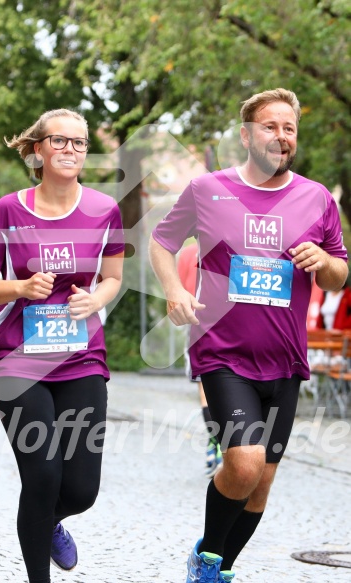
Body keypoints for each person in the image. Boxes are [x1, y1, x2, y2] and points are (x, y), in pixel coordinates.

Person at [149, 88, 348, 583]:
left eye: (289, 128)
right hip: (222, 352)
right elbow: (161, 241)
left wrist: (323, 262)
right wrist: (174, 289)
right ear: (246, 134)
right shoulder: (208, 189)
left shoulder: (317, 198)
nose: (280, 136)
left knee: (262, 482)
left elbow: (338, 275)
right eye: (269, 126)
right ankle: (210, 561)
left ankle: (217, 565)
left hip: (284, 358)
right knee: (243, 462)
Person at [0, 108, 124, 583]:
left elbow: (113, 277)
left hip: (82, 360)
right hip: (19, 362)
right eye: (60, 141)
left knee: (80, 490)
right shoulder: (7, 211)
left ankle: (50, 520)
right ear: (38, 150)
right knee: (42, 476)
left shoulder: (104, 210)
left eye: (79, 142)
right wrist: (19, 289)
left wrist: (95, 297)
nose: (71, 150)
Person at [177, 242, 222, 478]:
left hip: (196, 321)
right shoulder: (229, 241)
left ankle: (216, 441)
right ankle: (223, 442)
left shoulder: (187, 253)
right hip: (225, 320)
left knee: (205, 389)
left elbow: (181, 288)